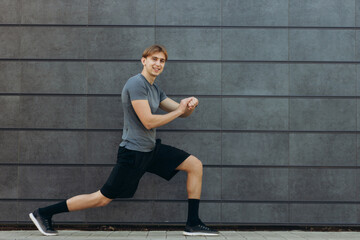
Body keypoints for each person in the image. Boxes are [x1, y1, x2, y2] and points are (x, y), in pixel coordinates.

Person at [29, 44, 219, 237]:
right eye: (154, 59)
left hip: (151, 150)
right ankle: (43, 213)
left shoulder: (155, 89)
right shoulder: (136, 84)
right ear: (143, 61)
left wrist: (189, 105)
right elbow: (148, 121)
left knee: (194, 165)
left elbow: (180, 112)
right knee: (102, 198)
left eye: (162, 61)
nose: (158, 64)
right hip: (133, 154)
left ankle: (193, 223)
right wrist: (180, 110)